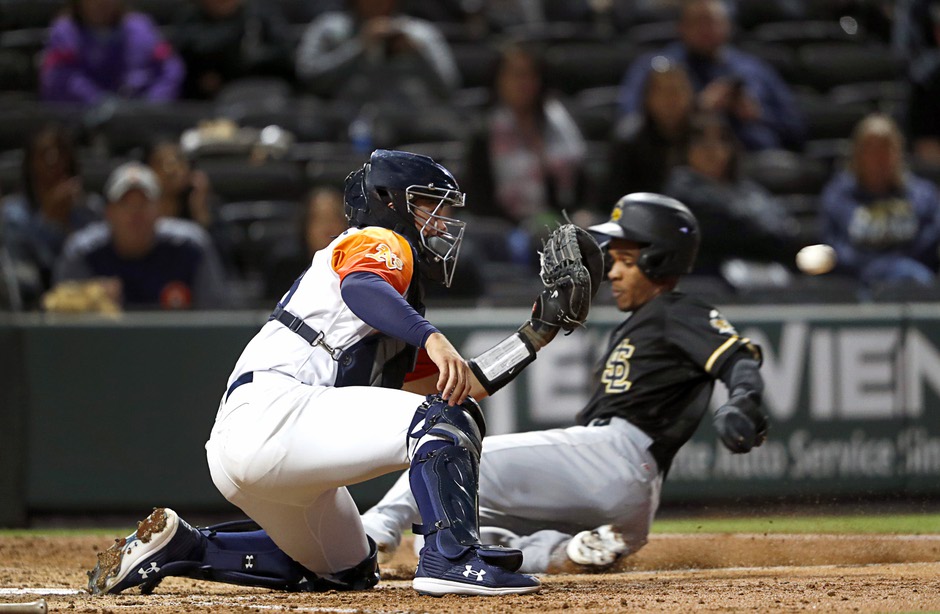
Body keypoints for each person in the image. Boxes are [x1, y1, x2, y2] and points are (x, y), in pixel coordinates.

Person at [85, 149, 603, 597]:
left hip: (253, 446)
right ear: (391, 201)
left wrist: (537, 333)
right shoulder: (378, 240)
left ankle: (186, 547)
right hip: (278, 410)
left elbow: (457, 384)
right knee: (444, 420)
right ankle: (452, 559)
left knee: (346, 570)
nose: (441, 223)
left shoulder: (395, 304)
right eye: (429, 207)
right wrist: (432, 335)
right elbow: (361, 288)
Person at [360, 193, 769, 574]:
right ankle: (567, 551)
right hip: (632, 503)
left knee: (449, 454)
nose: (614, 271)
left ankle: (375, 529)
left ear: (660, 260)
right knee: (452, 528)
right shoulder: (646, 322)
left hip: (616, 456)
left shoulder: (676, 310)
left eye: (626, 260)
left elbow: (736, 356)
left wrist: (744, 397)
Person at [617, 0, 804, 151]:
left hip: (755, 163)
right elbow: (631, 124)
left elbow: (797, 130)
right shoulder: (658, 67)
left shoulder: (754, 69)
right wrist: (696, 109)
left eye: (714, 21)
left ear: (729, 26)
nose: (707, 30)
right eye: (699, 22)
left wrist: (758, 115)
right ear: (681, 27)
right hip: (678, 162)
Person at [463, 42, 587, 262]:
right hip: (506, 231)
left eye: (529, 75)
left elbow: (581, 186)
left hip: (561, 223)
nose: (522, 83)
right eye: (514, 75)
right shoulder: (483, 131)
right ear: (499, 80)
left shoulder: (560, 123)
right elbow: (478, 200)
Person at [52, 162, 229, 310]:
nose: (135, 213)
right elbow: (61, 322)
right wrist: (91, 300)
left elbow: (215, 314)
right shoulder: (82, 252)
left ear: (160, 210)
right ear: (109, 212)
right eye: (125, 204)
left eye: (144, 203)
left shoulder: (191, 247)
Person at [662, 112, 805, 277]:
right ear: (685, 148)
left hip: (765, 270)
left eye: (722, 140)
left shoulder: (749, 189)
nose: (712, 149)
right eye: (701, 141)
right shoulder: (681, 191)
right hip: (710, 279)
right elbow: (728, 230)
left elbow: (785, 229)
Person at [820, 113, 940, 288]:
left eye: (885, 148)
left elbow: (931, 239)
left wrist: (896, 266)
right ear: (857, 154)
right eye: (871, 148)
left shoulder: (923, 195)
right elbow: (834, 247)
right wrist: (874, 267)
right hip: (856, 283)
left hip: (914, 280)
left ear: (898, 152)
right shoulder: (838, 197)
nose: (878, 157)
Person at [0, 124, 103, 309]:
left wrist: (66, 224)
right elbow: (25, 276)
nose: (52, 159)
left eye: (59, 151)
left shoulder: (91, 209)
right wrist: (49, 220)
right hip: (33, 307)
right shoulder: (13, 214)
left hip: (87, 305)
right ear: (30, 163)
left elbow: (96, 265)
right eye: (43, 152)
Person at [295, 0, 460, 105]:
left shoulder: (421, 33)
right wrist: (359, 47)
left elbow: (448, 88)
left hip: (411, 123)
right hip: (345, 123)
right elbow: (309, 77)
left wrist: (418, 55)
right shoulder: (330, 28)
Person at [40, 0, 184, 104]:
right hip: (82, 122)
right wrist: (99, 102)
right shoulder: (64, 32)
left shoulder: (141, 28)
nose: (101, 3)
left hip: (143, 119)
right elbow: (58, 79)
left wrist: (152, 103)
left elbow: (171, 69)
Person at [606, 57, 695, 203]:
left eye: (677, 90)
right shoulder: (629, 140)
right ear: (647, 97)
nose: (671, 99)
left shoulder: (705, 135)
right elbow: (614, 198)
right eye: (663, 91)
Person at [171, 0, 295, 100]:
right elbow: (183, 52)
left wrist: (253, 58)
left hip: (260, 82)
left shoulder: (259, 12)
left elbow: (285, 50)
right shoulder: (191, 17)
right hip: (205, 93)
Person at [264, 186, 348, 301]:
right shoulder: (285, 268)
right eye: (319, 220)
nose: (327, 228)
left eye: (334, 219)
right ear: (305, 226)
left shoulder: (362, 269)